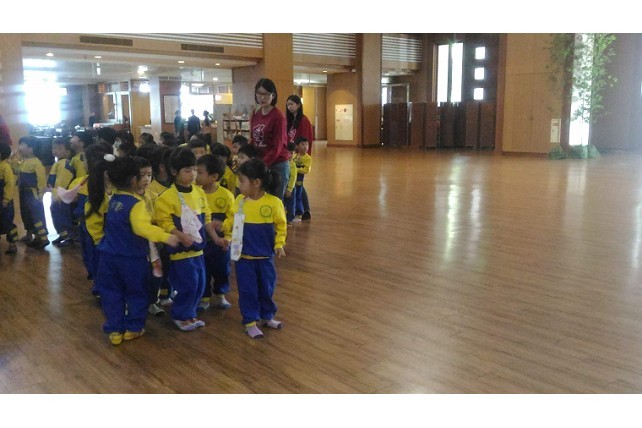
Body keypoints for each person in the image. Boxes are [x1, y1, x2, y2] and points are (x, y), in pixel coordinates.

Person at [91, 155, 179, 345]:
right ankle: (134, 328)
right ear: (133, 180)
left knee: (111, 294)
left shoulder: (114, 199)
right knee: (136, 293)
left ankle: (115, 330)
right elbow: (142, 228)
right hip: (131, 259)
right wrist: (166, 236)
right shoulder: (136, 204)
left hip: (107, 257)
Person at [153, 147, 222, 331]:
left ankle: (190, 314)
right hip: (180, 252)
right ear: (174, 171)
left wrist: (213, 231)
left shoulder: (199, 193)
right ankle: (180, 315)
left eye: (194, 170)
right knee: (188, 284)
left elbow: (206, 217)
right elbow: (164, 222)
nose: (192, 174)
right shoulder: (166, 197)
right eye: (187, 170)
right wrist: (179, 235)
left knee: (199, 284)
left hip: (198, 249)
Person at [221, 158, 287, 339]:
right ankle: (250, 322)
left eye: (242, 181)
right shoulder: (239, 201)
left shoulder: (273, 203)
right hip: (244, 259)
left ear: (256, 183)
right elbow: (232, 221)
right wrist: (225, 231)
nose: (238, 185)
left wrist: (279, 244)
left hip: (265, 258)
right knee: (248, 291)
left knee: (267, 288)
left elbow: (281, 226)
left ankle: (267, 316)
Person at [195, 154, 234, 311]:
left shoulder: (226, 195)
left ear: (214, 176)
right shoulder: (195, 193)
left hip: (220, 244)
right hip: (202, 242)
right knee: (203, 270)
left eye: (200, 172)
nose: (196, 176)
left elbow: (232, 220)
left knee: (222, 270)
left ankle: (221, 294)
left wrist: (228, 238)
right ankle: (204, 297)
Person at [250, 78, 290, 201]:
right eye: (259, 93)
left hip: (277, 164)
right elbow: (254, 139)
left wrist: (261, 165)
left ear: (273, 95)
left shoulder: (278, 116)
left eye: (266, 94)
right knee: (260, 200)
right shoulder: (256, 113)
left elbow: (277, 146)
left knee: (274, 202)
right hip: (261, 163)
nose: (262, 97)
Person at [16, 136, 49, 249]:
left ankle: (43, 238)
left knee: (36, 214)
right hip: (23, 192)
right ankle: (29, 234)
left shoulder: (36, 163)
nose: (19, 147)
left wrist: (41, 194)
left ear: (31, 148)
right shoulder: (22, 160)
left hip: (32, 193)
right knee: (26, 214)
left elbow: (41, 180)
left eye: (22, 145)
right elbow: (16, 171)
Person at [286, 94, 314, 220]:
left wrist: (303, 156)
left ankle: (305, 210)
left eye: (292, 104)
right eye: (288, 104)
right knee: (295, 184)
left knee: (298, 184)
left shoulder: (304, 120)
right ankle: (298, 209)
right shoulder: (290, 120)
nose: (289, 107)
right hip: (291, 155)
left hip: (299, 157)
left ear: (298, 105)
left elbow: (306, 141)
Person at [47, 138, 75, 247]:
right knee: (56, 214)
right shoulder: (58, 163)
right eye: (54, 148)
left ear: (67, 151)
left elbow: (62, 182)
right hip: (56, 195)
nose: (55, 151)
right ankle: (62, 234)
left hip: (61, 196)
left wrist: (56, 192)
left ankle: (68, 236)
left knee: (62, 215)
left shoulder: (64, 164)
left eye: (59, 149)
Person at [0, 142, 18, 254]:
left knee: (7, 222)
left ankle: (12, 244)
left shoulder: (5, 167)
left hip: (4, 200)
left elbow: (10, 184)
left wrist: (6, 199)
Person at [292, 136, 312, 223]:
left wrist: (296, 169)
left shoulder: (307, 158)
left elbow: (306, 169)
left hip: (299, 181)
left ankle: (299, 214)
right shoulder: (294, 156)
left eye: (306, 144)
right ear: (297, 146)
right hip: (292, 180)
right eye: (303, 144)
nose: (305, 147)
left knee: (298, 196)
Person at [284, 142, 297, 226]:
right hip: (283, 186)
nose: (290, 155)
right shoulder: (283, 163)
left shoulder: (292, 164)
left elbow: (293, 178)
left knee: (291, 204)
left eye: (292, 153)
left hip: (290, 188)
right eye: (289, 153)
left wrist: (289, 189)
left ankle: (290, 219)